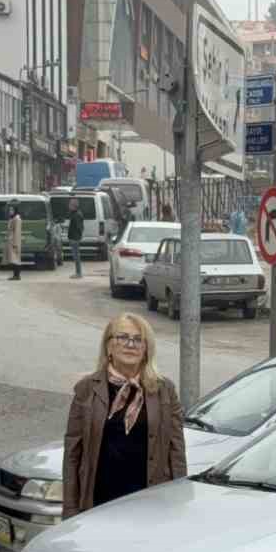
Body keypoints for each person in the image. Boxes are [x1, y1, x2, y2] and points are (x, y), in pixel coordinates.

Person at [62, 314, 187, 518]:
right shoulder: (86, 389)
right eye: (123, 337)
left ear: (147, 349)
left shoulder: (165, 390)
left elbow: (177, 452)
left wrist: (179, 504)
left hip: (150, 502)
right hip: (99, 501)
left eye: (138, 339)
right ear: (109, 346)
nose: (131, 344)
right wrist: (70, 508)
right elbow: (72, 454)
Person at [65, 198, 85, 278]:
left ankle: (78, 273)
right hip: (73, 238)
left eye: (70, 204)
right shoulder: (74, 213)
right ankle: (78, 272)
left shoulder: (77, 215)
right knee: (76, 256)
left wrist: (77, 237)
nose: (68, 206)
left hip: (75, 238)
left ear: (74, 206)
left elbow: (79, 227)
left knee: (76, 256)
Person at [6, 204, 24, 281]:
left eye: (12, 210)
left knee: (15, 259)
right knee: (14, 259)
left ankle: (17, 275)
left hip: (14, 241)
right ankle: (15, 275)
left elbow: (17, 232)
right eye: (9, 210)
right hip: (12, 241)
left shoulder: (17, 219)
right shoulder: (13, 218)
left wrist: (15, 243)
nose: (10, 211)